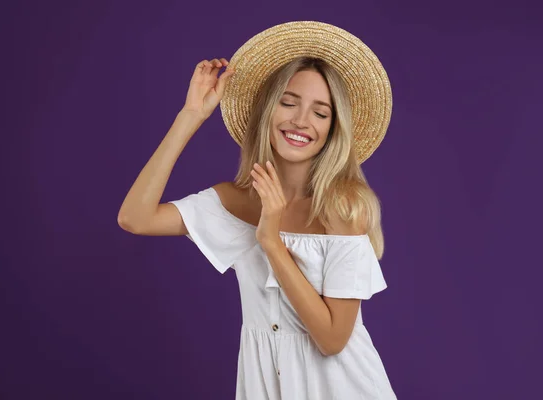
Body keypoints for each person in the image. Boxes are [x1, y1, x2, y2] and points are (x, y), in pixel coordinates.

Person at [118, 21, 396, 400]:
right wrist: (190, 116)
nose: (300, 121)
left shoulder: (343, 208)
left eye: (320, 112)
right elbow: (135, 218)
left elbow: (332, 340)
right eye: (288, 102)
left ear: (333, 129)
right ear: (268, 109)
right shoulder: (235, 201)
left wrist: (271, 241)